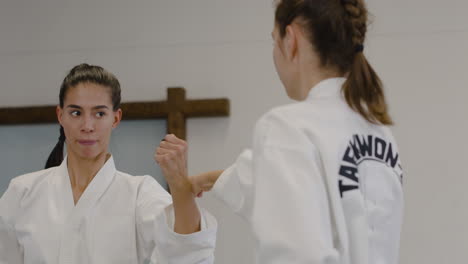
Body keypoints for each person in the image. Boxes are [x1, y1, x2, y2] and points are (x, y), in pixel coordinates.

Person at [161, 0, 404, 263]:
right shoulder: (378, 133)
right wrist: (201, 181)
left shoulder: (288, 126)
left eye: (274, 40)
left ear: (291, 40)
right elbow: (308, 190)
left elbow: (294, 251)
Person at [0, 63, 217, 264]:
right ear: (60, 115)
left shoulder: (140, 194)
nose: (87, 125)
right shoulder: (23, 192)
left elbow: (188, 254)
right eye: (76, 113)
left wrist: (180, 187)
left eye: (99, 113)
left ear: (115, 118)